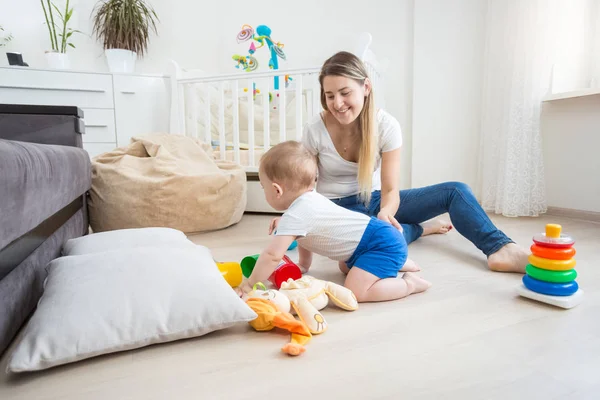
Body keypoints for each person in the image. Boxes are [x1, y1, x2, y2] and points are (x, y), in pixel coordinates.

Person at [297, 50, 529, 273]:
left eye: (345, 92)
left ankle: (500, 248)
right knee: (354, 261)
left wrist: (386, 214)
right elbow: (305, 191)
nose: (338, 103)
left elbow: (390, 189)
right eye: (330, 96)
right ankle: (420, 229)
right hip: (335, 211)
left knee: (455, 192)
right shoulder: (314, 130)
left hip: (373, 200)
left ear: (365, 87)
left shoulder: (386, 126)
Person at [240, 140, 431, 303]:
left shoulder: (296, 215)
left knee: (356, 290)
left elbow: (272, 255)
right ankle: (397, 261)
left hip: (381, 243)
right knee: (344, 267)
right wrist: (304, 265)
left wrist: (249, 285)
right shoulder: (309, 201)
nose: (264, 191)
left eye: (263, 187)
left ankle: (408, 283)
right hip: (375, 239)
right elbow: (304, 237)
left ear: (277, 190)